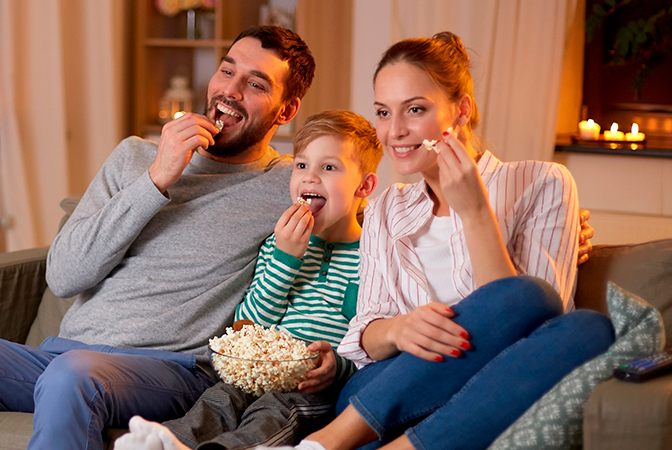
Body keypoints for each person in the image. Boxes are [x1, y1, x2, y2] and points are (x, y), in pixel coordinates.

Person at [0, 25, 315, 450]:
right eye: (226, 71)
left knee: (73, 374)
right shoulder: (135, 157)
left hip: (173, 370)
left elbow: (359, 219)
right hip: (64, 356)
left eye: (255, 84)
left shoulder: (287, 184)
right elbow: (65, 276)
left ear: (286, 111)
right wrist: (156, 180)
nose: (231, 90)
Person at [258, 32, 615, 450]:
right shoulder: (385, 207)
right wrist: (401, 329)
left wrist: (476, 213)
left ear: (460, 110)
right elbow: (363, 332)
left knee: (587, 328)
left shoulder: (543, 183)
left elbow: (530, 325)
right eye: (382, 112)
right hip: (386, 393)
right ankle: (331, 439)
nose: (395, 131)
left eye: (415, 109)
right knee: (534, 299)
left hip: (492, 387)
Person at [114, 110, 382, 450]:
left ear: (365, 185)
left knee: (274, 411)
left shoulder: (375, 258)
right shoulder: (278, 243)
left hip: (311, 389)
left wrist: (338, 368)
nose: (310, 178)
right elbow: (251, 325)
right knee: (219, 399)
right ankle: (170, 441)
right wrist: (286, 258)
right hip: (257, 372)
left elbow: (372, 346)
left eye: (329, 167)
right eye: (301, 165)